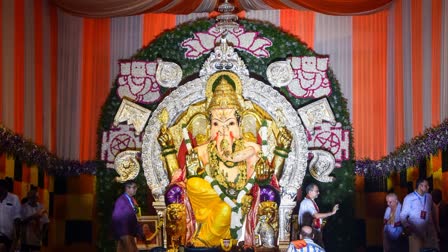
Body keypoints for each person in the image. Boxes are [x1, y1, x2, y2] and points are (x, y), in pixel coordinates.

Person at [157, 72, 292, 247]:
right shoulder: (201, 151)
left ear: (240, 125)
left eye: (230, 123)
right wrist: (174, 156)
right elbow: (179, 180)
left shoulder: (252, 150)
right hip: (207, 205)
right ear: (208, 126)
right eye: (216, 124)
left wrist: (276, 158)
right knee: (195, 184)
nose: (222, 130)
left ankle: (202, 243)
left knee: (226, 208)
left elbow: (269, 180)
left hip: (239, 203)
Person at [400, 178, 439, 252]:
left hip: (429, 232)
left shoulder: (429, 197)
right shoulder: (409, 198)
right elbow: (403, 215)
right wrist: (406, 227)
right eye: (426, 185)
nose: (428, 187)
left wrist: (436, 226)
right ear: (420, 186)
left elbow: (434, 210)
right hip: (415, 232)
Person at [298, 183, 338, 247]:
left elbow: (316, 218)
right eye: (316, 191)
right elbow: (316, 215)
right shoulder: (307, 202)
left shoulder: (311, 202)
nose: (318, 193)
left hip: (312, 234)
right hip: (308, 235)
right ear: (310, 192)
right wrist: (332, 213)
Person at [112, 180, 140, 252]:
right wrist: (121, 232)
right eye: (134, 187)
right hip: (124, 232)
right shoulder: (121, 200)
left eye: (135, 187)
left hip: (129, 232)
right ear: (127, 188)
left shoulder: (131, 199)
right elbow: (116, 216)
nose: (136, 189)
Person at [20, 186, 49, 252]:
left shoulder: (41, 207)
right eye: (32, 197)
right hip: (25, 239)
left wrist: (43, 235)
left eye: (36, 197)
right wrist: (33, 217)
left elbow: (46, 223)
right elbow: (20, 222)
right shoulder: (23, 207)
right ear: (28, 197)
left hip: (36, 239)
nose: (34, 199)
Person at [0, 179, 21, 252]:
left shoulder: (14, 198)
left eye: (1, 189)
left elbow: (17, 219)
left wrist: (16, 240)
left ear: (6, 189)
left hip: (8, 236)